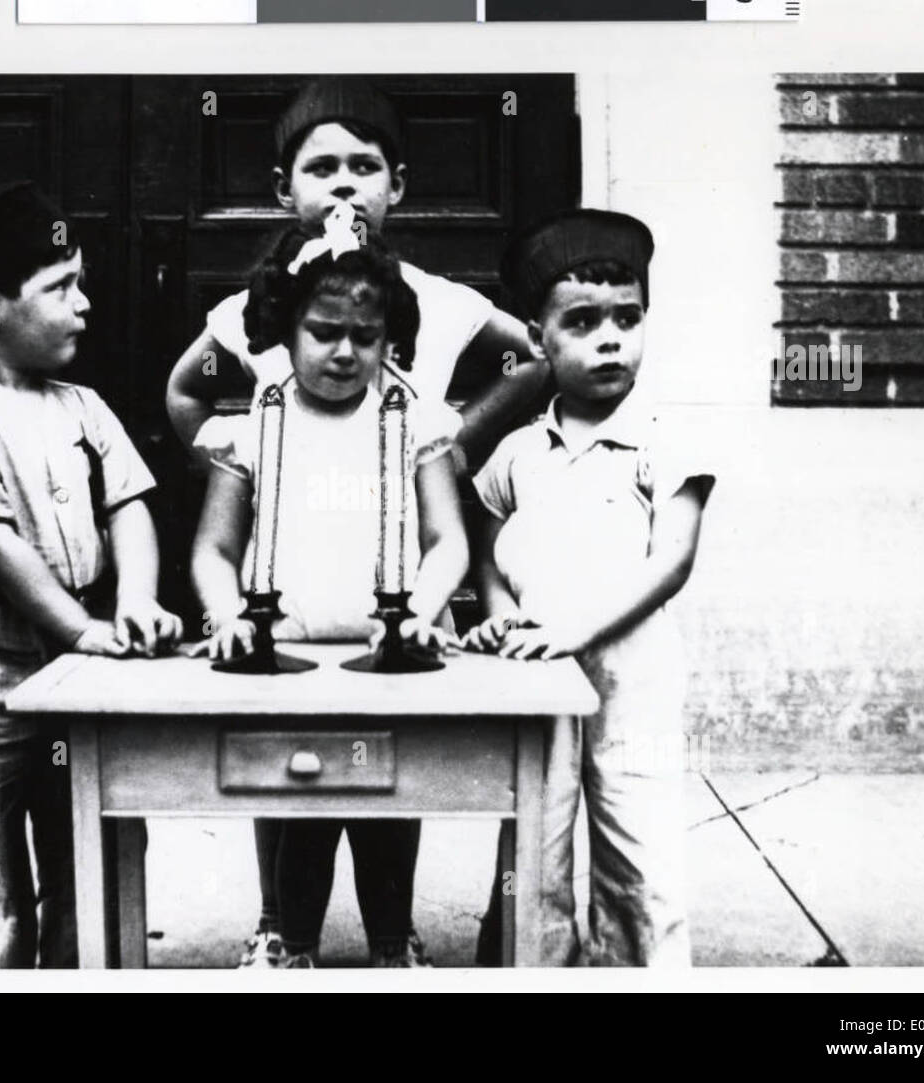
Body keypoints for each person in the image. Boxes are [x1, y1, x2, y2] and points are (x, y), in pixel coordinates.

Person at [167, 75, 544, 969]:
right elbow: (190, 406)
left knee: (387, 771)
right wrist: (230, 455)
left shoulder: (434, 308)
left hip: (392, 607)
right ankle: (280, 928)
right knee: (282, 770)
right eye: (322, 167)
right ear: (282, 188)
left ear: (397, 184)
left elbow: (526, 365)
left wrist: (451, 441)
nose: (343, 186)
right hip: (285, 613)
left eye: (363, 166)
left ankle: (390, 934)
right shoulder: (256, 331)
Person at [0, 181, 183, 967]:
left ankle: (78, 967)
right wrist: (81, 629)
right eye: (62, 287)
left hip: (84, 653)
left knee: (91, 819)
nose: (84, 304)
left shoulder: (84, 405)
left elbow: (129, 503)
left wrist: (133, 599)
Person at [190, 212, 469, 967]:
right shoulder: (256, 427)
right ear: (285, 328)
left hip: (386, 652)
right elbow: (214, 549)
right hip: (283, 655)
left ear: (389, 338)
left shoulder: (412, 425)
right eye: (322, 331)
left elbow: (449, 541)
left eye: (366, 337)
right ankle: (285, 937)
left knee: (386, 791)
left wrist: (420, 611)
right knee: (291, 796)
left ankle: (391, 942)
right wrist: (225, 616)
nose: (345, 352)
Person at [465, 209, 715, 966]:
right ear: (537, 338)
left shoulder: (664, 438)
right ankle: (529, 968)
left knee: (640, 844)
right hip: (540, 677)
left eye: (627, 318)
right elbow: (483, 544)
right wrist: (501, 614)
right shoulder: (518, 451)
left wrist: (577, 629)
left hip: (631, 674)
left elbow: (671, 561)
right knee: (533, 845)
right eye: (582, 320)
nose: (610, 338)